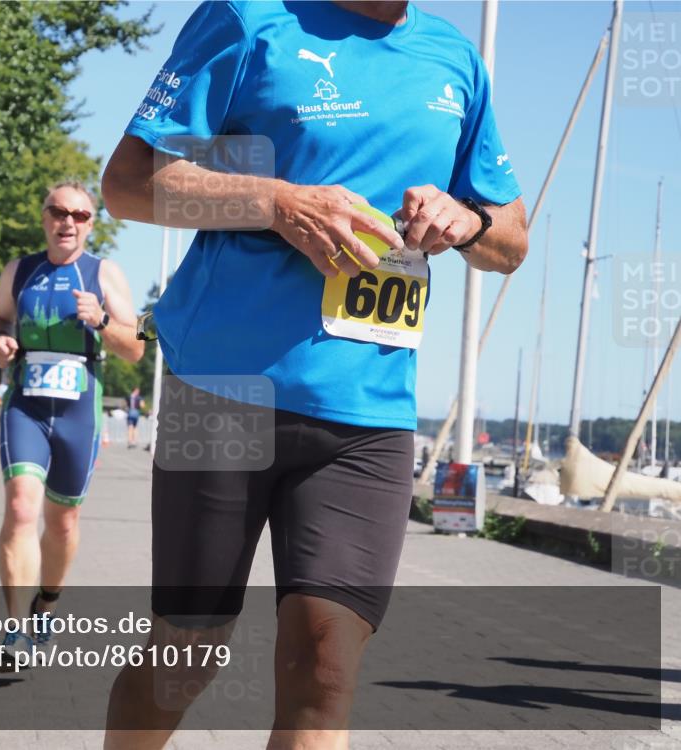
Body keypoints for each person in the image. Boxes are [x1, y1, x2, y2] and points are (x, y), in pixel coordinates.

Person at [101, 1, 528, 747]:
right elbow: (131, 183)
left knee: (325, 666)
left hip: (368, 413)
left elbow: (511, 236)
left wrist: (467, 221)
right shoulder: (250, 19)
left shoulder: (452, 59)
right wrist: (275, 200)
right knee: (187, 652)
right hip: (225, 390)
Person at [0, 180, 144, 659]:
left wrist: (100, 321)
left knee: (64, 521)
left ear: (91, 225)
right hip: (26, 404)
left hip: (79, 409)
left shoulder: (103, 274)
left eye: (79, 216)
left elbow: (135, 348)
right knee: (19, 508)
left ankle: (46, 605)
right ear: (44, 217)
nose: (67, 222)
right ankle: (14, 630)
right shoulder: (21, 270)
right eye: (58, 212)